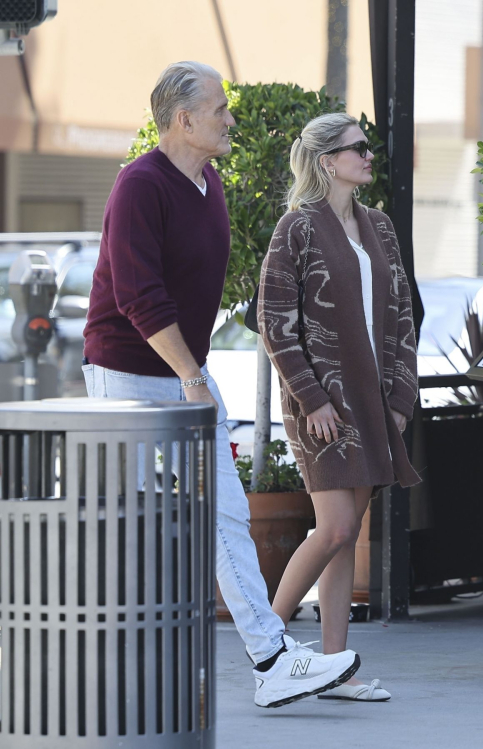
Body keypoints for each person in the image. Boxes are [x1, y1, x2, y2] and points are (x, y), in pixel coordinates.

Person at [82, 63, 359, 709]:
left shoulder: (208, 182)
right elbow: (137, 295)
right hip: (130, 374)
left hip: (183, 372)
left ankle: (269, 658)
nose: (230, 118)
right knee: (126, 526)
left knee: (226, 514)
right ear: (183, 119)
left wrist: (192, 372)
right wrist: (189, 376)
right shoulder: (139, 185)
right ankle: (95, 666)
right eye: (220, 108)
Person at [258, 113, 421, 702]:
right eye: (358, 148)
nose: (369, 155)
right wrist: (311, 398)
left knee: (347, 532)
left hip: (372, 404)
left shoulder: (379, 227)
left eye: (367, 147)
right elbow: (275, 323)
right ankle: (267, 653)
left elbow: (403, 315)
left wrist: (400, 399)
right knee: (335, 527)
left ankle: (331, 668)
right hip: (321, 405)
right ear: (328, 160)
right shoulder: (296, 228)